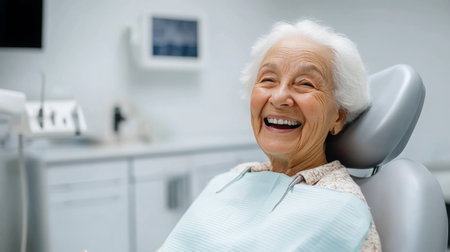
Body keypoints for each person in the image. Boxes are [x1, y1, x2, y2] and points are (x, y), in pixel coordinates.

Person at [160, 20, 381, 251]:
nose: (279, 97)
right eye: (268, 80)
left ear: (337, 116)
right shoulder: (234, 178)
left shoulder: (341, 207)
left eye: (305, 83)